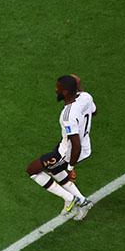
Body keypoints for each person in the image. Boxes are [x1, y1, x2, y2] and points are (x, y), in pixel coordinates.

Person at [26, 75, 97, 220]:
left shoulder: (67, 116)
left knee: (33, 170)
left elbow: (75, 144)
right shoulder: (86, 97)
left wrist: (70, 168)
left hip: (68, 152)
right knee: (53, 169)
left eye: (58, 88)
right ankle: (83, 202)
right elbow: (94, 111)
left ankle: (70, 198)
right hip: (81, 145)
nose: (55, 90)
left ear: (65, 92)